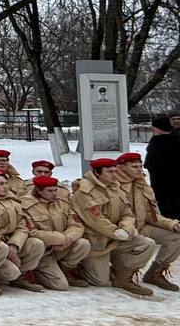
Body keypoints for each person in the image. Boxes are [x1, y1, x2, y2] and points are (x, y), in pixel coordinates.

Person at [71, 157, 156, 297]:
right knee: (100, 282)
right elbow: (96, 220)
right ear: (98, 173)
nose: (114, 174)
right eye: (109, 171)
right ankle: (81, 267)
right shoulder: (85, 192)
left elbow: (128, 213)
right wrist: (115, 232)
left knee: (146, 243)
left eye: (115, 171)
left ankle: (123, 277)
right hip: (97, 242)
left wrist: (125, 228)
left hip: (117, 237)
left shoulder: (115, 187)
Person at [117, 151, 180, 292]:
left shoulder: (141, 184)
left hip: (141, 227)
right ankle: (123, 276)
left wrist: (171, 224)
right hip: (119, 231)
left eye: (140, 166)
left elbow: (151, 215)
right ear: (121, 167)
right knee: (99, 278)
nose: (139, 169)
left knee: (176, 237)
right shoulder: (112, 184)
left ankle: (154, 273)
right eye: (134, 166)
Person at [0, 168, 47, 292]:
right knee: (11, 271)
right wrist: (7, 247)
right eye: (1, 184)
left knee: (37, 244)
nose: (5, 187)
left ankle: (20, 277)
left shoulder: (13, 201)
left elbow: (23, 225)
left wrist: (14, 244)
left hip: (12, 241)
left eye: (6, 183)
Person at [23, 176, 90, 289]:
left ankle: (65, 269)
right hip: (44, 251)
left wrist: (67, 239)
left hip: (62, 247)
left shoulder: (62, 204)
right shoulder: (26, 205)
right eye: (50, 191)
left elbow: (76, 225)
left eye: (55, 190)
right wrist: (59, 239)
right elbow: (31, 231)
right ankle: (36, 273)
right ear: (39, 191)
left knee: (83, 244)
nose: (54, 194)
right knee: (60, 285)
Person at [145, 115, 180, 218]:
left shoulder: (159, 141)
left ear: (161, 128)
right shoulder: (166, 139)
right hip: (168, 180)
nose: (153, 130)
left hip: (164, 180)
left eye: (154, 127)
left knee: (167, 205)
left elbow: (152, 160)